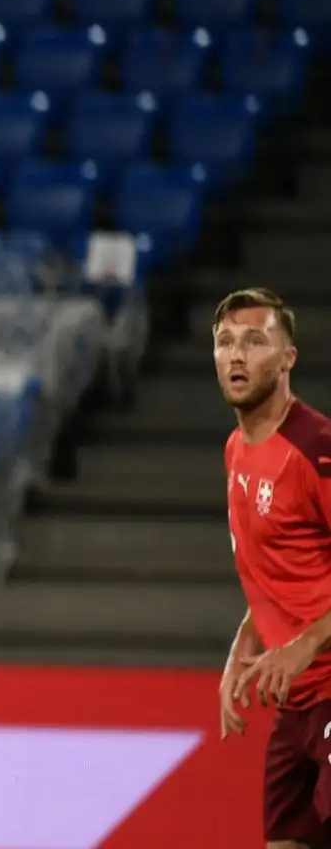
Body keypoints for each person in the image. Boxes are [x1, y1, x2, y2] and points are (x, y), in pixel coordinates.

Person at [212, 287, 331, 849]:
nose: (236, 355)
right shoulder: (236, 449)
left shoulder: (316, 449)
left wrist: (308, 642)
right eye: (225, 342)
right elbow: (269, 568)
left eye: (255, 341)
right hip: (295, 702)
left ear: (288, 358)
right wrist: (245, 642)